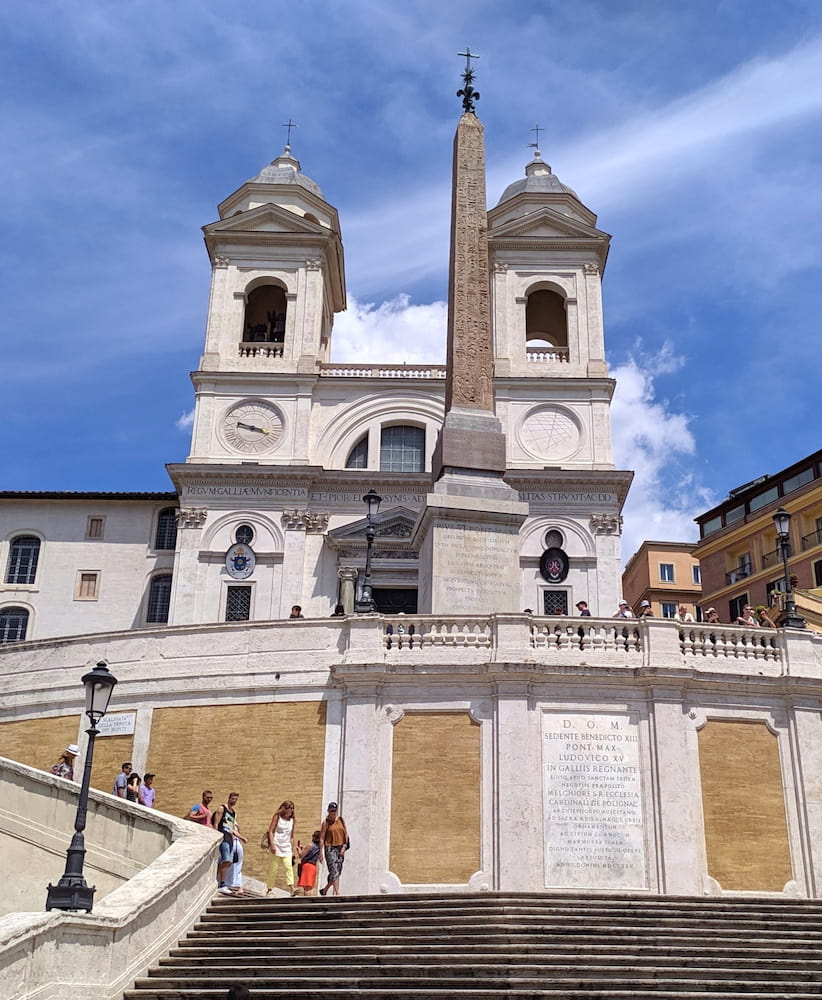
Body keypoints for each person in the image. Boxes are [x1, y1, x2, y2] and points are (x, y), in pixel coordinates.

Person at [213, 792, 247, 893]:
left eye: (236, 799)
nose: (234, 801)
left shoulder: (233, 812)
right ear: (229, 798)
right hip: (223, 837)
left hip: (230, 838)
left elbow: (231, 829)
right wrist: (216, 838)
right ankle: (221, 884)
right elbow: (216, 823)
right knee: (226, 860)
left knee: (229, 862)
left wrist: (242, 838)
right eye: (233, 799)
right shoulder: (222, 808)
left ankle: (217, 879)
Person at [318, 801, 349, 897]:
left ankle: (325, 890)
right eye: (331, 811)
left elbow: (346, 834)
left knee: (338, 871)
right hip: (330, 847)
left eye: (334, 811)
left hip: (340, 847)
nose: (333, 813)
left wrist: (344, 847)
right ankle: (337, 892)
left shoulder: (341, 820)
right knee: (334, 870)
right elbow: (322, 838)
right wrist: (320, 852)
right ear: (328, 811)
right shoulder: (326, 823)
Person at [266, 800, 296, 895]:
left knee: (288, 867)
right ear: (284, 808)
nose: (291, 810)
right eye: (289, 808)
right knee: (274, 869)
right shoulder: (277, 817)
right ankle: (269, 889)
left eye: (292, 808)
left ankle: (292, 888)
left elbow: (291, 836)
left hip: (286, 847)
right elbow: (271, 831)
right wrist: (272, 844)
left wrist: (293, 850)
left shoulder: (292, 821)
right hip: (276, 845)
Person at [296, 830, 321, 895]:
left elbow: (301, 855)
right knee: (310, 887)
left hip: (307, 866)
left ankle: (307, 902)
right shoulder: (319, 847)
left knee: (306, 887)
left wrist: (299, 849)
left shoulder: (310, 845)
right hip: (313, 867)